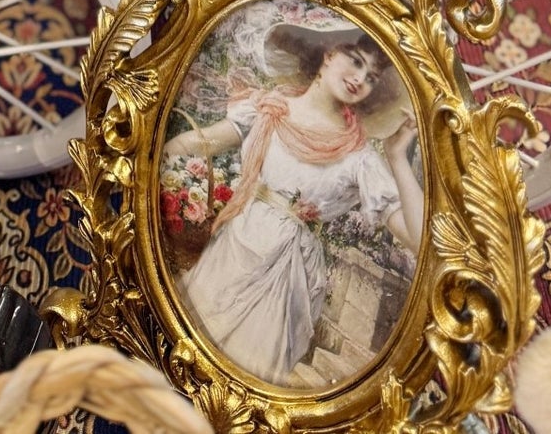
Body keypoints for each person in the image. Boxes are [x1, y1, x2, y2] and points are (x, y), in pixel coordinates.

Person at [162, 27, 423, 387]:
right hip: (236, 246)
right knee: (182, 349)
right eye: (356, 61)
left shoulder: (360, 158)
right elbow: (205, 141)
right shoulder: (270, 108)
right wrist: (160, 153)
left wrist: (397, 159)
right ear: (329, 53)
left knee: (245, 376)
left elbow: (418, 237)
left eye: (372, 77)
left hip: (287, 273)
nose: (360, 78)